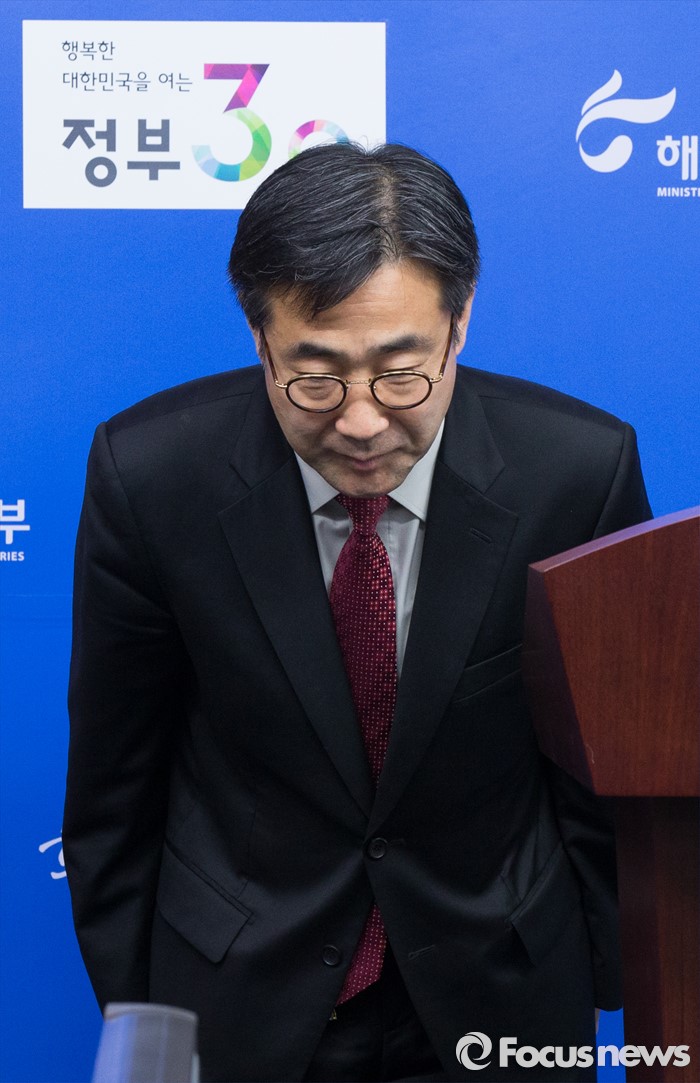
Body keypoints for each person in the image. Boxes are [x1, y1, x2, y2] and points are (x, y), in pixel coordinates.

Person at [64, 143, 651, 1083]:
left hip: (501, 994)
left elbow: (602, 774)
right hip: (240, 998)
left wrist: (608, 970)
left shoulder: (578, 475)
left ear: (460, 323)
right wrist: (148, 1023)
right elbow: (113, 785)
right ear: (260, 338)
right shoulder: (151, 478)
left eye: (401, 372)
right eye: (317, 377)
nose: (364, 421)